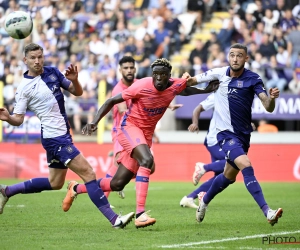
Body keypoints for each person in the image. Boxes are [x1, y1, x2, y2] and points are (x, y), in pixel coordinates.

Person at [0, 43, 134, 229]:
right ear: (25, 60)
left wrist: (75, 80)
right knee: (88, 173)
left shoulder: (53, 72)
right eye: (33, 58)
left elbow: (77, 92)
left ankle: (8, 190)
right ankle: (114, 220)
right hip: (55, 138)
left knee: (55, 183)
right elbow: (18, 119)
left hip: (61, 135)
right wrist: (7, 118)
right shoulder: (24, 87)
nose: (37, 61)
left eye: (40, 56)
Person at [80, 58, 218, 228]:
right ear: (152, 75)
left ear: (169, 76)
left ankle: (76, 189)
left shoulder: (175, 84)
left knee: (117, 183)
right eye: (156, 74)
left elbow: (185, 89)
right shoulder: (141, 85)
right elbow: (111, 101)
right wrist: (94, 121)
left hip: (145, 135)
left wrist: (206, 90)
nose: (159, 78)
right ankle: (140, 214)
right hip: (129, 128)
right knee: (147, 161)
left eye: (163, 75)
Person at [62, 56, 183, 212]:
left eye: (131, 67)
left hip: (138, 132)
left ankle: (80, 189)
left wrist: (166, 104)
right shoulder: (119, 89)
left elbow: (150, 98)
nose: (129, 70)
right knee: (138, 165)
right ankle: (107, 202)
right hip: (123, 131)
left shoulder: (141, 83)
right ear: (120, 70)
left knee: (128, 176)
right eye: (126, 68)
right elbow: (123, 109)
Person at [183, 43, 283, 226]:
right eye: (232, 55)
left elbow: (267, 106)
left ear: (246, 58)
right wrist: (186, 78)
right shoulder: (219, 74)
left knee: (228, 177)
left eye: (239, 55)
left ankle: (204, 201)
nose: (235, 59)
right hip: (225, 135)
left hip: (243, 135)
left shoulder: (253, 79)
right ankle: (267, 211)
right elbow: (192, 81)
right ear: (228, 57)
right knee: (246, 164)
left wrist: (272, 99)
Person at [180, 93, 226, 209]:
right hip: (215, 139)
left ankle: (189, 198)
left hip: (225, 139)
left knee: (222, 177)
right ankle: (204, 167)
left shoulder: (237, 95)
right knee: (233, 162)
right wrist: (195, 123)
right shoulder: (218, 94)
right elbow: (198, 108)